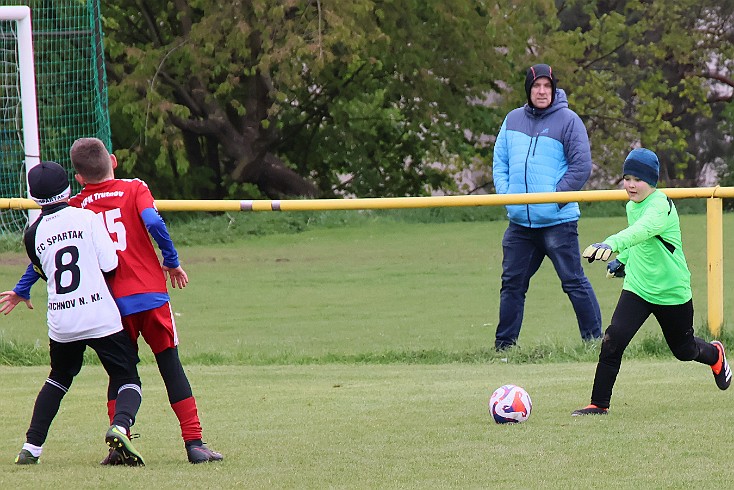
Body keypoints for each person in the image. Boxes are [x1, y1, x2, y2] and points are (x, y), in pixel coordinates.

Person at [2, 138, 222, 464]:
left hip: (114, 303)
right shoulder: (134, 188)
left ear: (78, 178)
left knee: (118, 375)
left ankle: (118, 447)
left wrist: (22, 288)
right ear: (114, 161)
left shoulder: (77, 206)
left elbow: (49, 253)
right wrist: (171, 260)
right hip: (149, 295)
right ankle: (194, 443)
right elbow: (153, 222)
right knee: (170, 366)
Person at [573, 148, 731, 416]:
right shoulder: (631, 205)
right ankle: (599, 404)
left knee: (684, 350)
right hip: (638, 288)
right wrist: (623, 261)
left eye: (638, 179)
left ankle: (715, 355)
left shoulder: (660, 206)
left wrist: (611, 244)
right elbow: (642, 243)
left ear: (653, 181)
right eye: (627, 178)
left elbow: (643, 230)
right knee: (613, 339)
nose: (631, 185)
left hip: (671, 291)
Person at [6, 161, 144, 465]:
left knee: (58, 378)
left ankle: (31, 447)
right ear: (68, 188)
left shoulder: (32, 234)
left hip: (62, 320)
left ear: (34, 196)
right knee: (127, 376)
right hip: (99, 315)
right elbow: (110, 264)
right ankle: (120, 425)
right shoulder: (88, 217)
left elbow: (44, 271)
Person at [492, 63, 602, 350]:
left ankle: (595, 344)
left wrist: (554, 198)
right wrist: (507, 196)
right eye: (536, 86)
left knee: (573, 282)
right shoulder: (512, 119)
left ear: (554, 90)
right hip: (520, 225)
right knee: (512, 285)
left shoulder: (568, 121)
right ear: (528, 89)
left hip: (558, 222)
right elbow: (500, 162)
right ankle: (504, 348)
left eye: (547, 86)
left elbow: (581, 167)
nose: (542, 91)